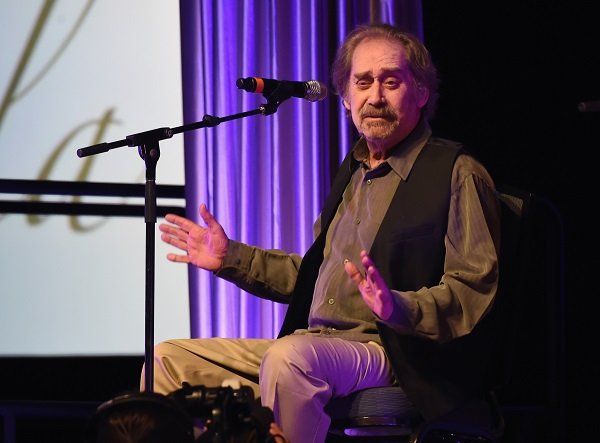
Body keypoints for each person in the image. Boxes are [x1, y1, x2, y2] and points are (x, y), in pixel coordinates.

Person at [144, 23, 501, 443]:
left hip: (391, 352)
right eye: (362, 83)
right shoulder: (352, 174)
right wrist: (230, 258)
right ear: (346, 99)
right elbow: (309, 278)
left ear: (421, 93)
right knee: (167, 361)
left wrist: (397, 307)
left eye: (391, 82)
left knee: (290, 358)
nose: (375, 97)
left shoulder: (457, 172)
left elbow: (472, 290)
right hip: (317, 345)